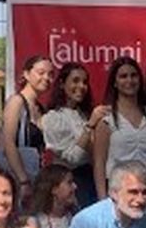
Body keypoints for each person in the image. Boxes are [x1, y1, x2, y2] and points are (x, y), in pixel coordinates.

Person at [92, 55, 146, 197]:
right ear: (115, 83)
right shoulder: (106, 117)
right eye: (123, 76)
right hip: (119, 192)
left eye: (134, 75)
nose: (129, 80)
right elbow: (99, 163)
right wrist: (102, 198)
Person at [41, 62, 103, 208]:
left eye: (84, 82)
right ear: (62, 84)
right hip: (70, 183)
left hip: (91, 181)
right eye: (75, 81)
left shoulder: (84, 115)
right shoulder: (53, 117)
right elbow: (73, 158)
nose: (81, 86)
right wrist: (90, 126)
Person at [0, 54, 55, 200]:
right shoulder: (16, 102)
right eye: (41, 72)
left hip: (37, 178)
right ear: (26, 74)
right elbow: (8, 142)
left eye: (50, 74)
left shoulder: (40, 108)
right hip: (17, 180)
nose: (46, 78)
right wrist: (23, 180)